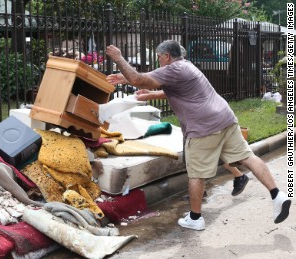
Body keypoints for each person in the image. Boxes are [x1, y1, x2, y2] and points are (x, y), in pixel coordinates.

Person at [105, 40, 291, 230]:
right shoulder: (186, 66)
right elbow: (174, 90)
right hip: (225, 118)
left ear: (167, 56)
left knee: (196, 173)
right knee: (248, 157)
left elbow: (138, 79)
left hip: (203, 127)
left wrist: (119, 58)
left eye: (159, 57)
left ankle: (195, 218)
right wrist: (138, 87)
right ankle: (277, 195)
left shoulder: (173, 69)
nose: (159, 60)